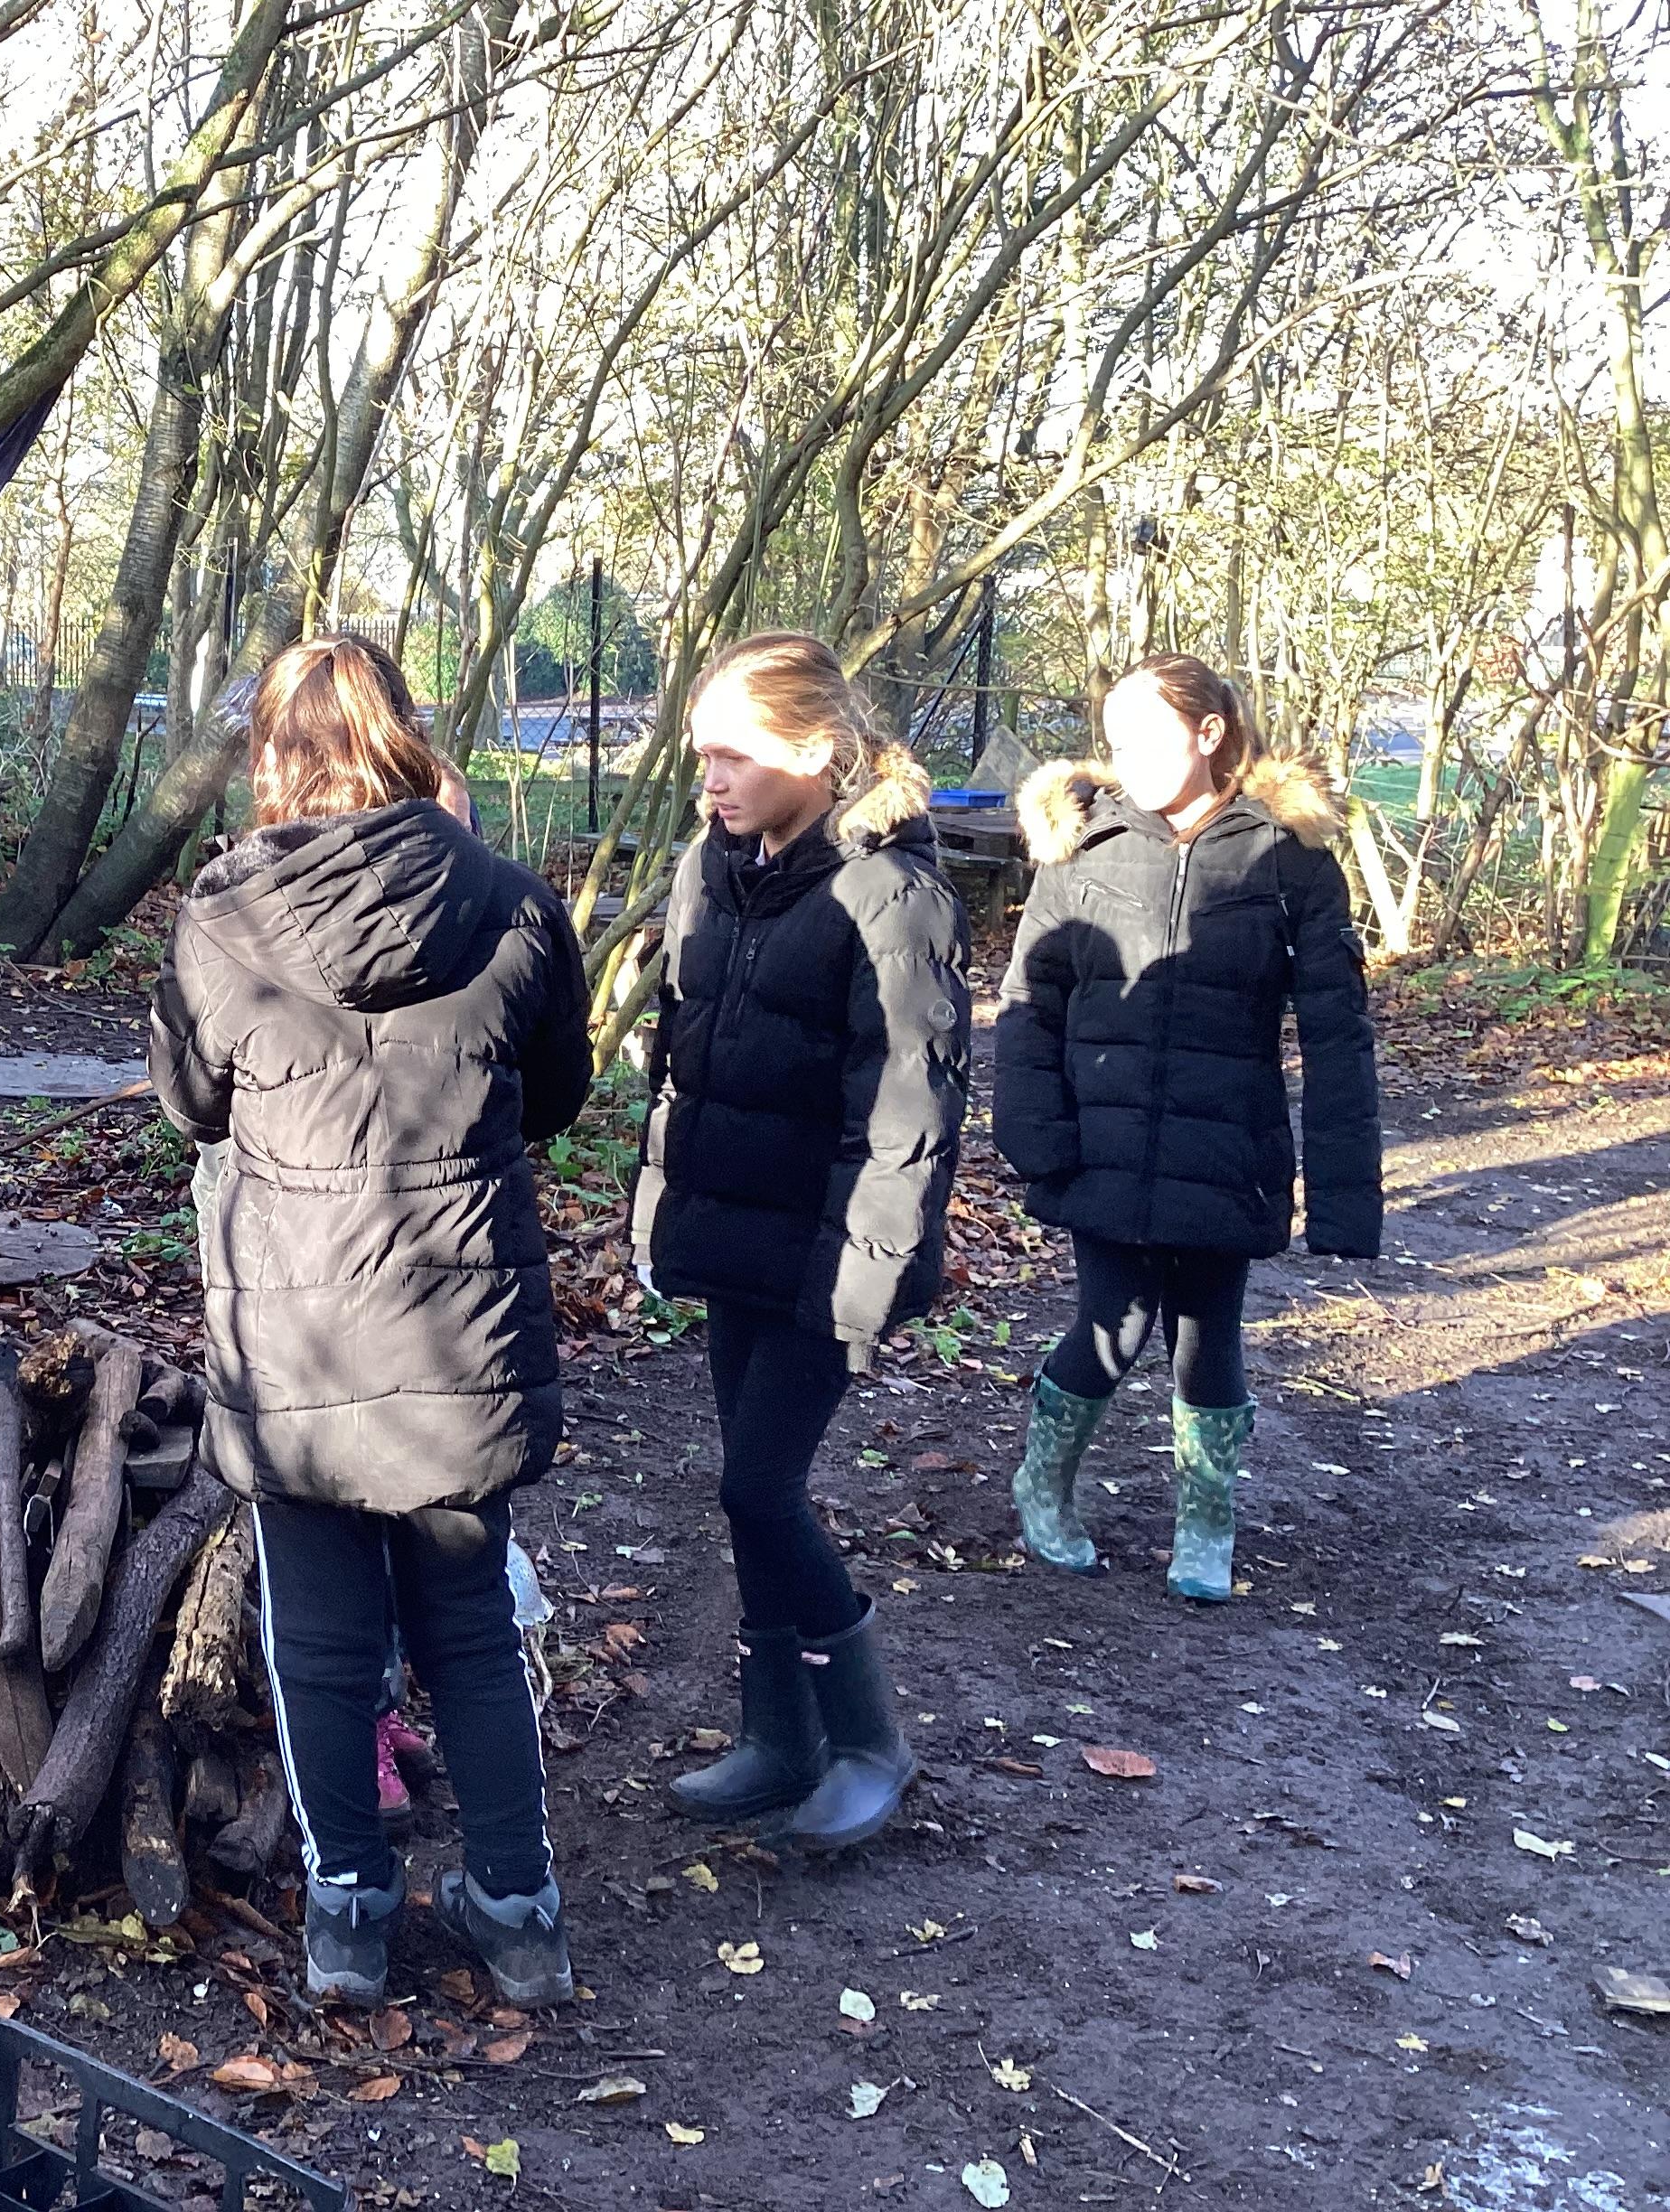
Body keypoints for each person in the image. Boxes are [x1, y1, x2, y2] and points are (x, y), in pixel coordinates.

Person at [150, 633, 592, 2010]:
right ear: (407, 734)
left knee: (321, 1640)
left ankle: (347, 1916)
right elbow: (558, 1093)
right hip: (460, 1335)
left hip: (299, 1337)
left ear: (271, 757)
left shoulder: (222, 916)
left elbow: (190, 1101)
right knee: (470, 1625)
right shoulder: (510, 903)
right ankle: (519, 1916)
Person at [632, 632, 970, 1854]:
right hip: (734, 1230)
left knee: (758, 1486)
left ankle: (870, 1743)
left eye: (733, 753)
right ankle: (779, 1738)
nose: (710, 779)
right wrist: (661, 1210)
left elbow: (910, 1109)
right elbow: (682, 1062)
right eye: (700, 755)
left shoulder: (895, 894)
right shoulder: (712, 866)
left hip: (829, 1256)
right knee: (746, 1487)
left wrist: (862, 1278)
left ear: (820, 750)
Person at [993, 653, 1380, 1600]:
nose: (1123, 759)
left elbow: (1338, 1035)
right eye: (1113, 741)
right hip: (1103, 1143)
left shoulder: (1288, 857)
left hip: (1225, 1148)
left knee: (1209, 1334)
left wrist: (1344, 1200)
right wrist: (1035, 1138)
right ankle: (1043, 1482)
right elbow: (1029, 1004)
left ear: (1210, 734)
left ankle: (1207, 1519)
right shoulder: (1083, 845)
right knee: (1113, 1323)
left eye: (1146, 739)